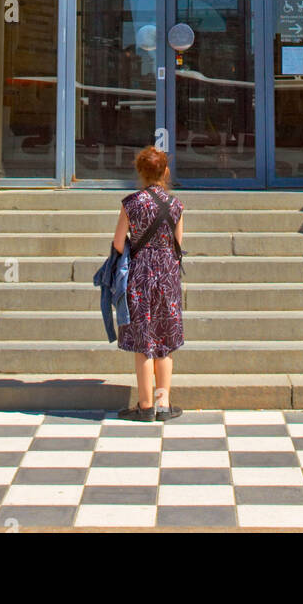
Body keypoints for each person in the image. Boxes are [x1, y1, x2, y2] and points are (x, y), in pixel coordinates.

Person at [112, 145, 185, 422]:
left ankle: (145, 406)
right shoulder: (176, 205)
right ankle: (163, 403)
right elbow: (177, 245)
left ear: (140, 173)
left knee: (144, 341)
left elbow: (119, 243)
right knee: (164, 340)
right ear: (165, 172)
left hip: (140, 272)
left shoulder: (131, 203)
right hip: (167, 274)